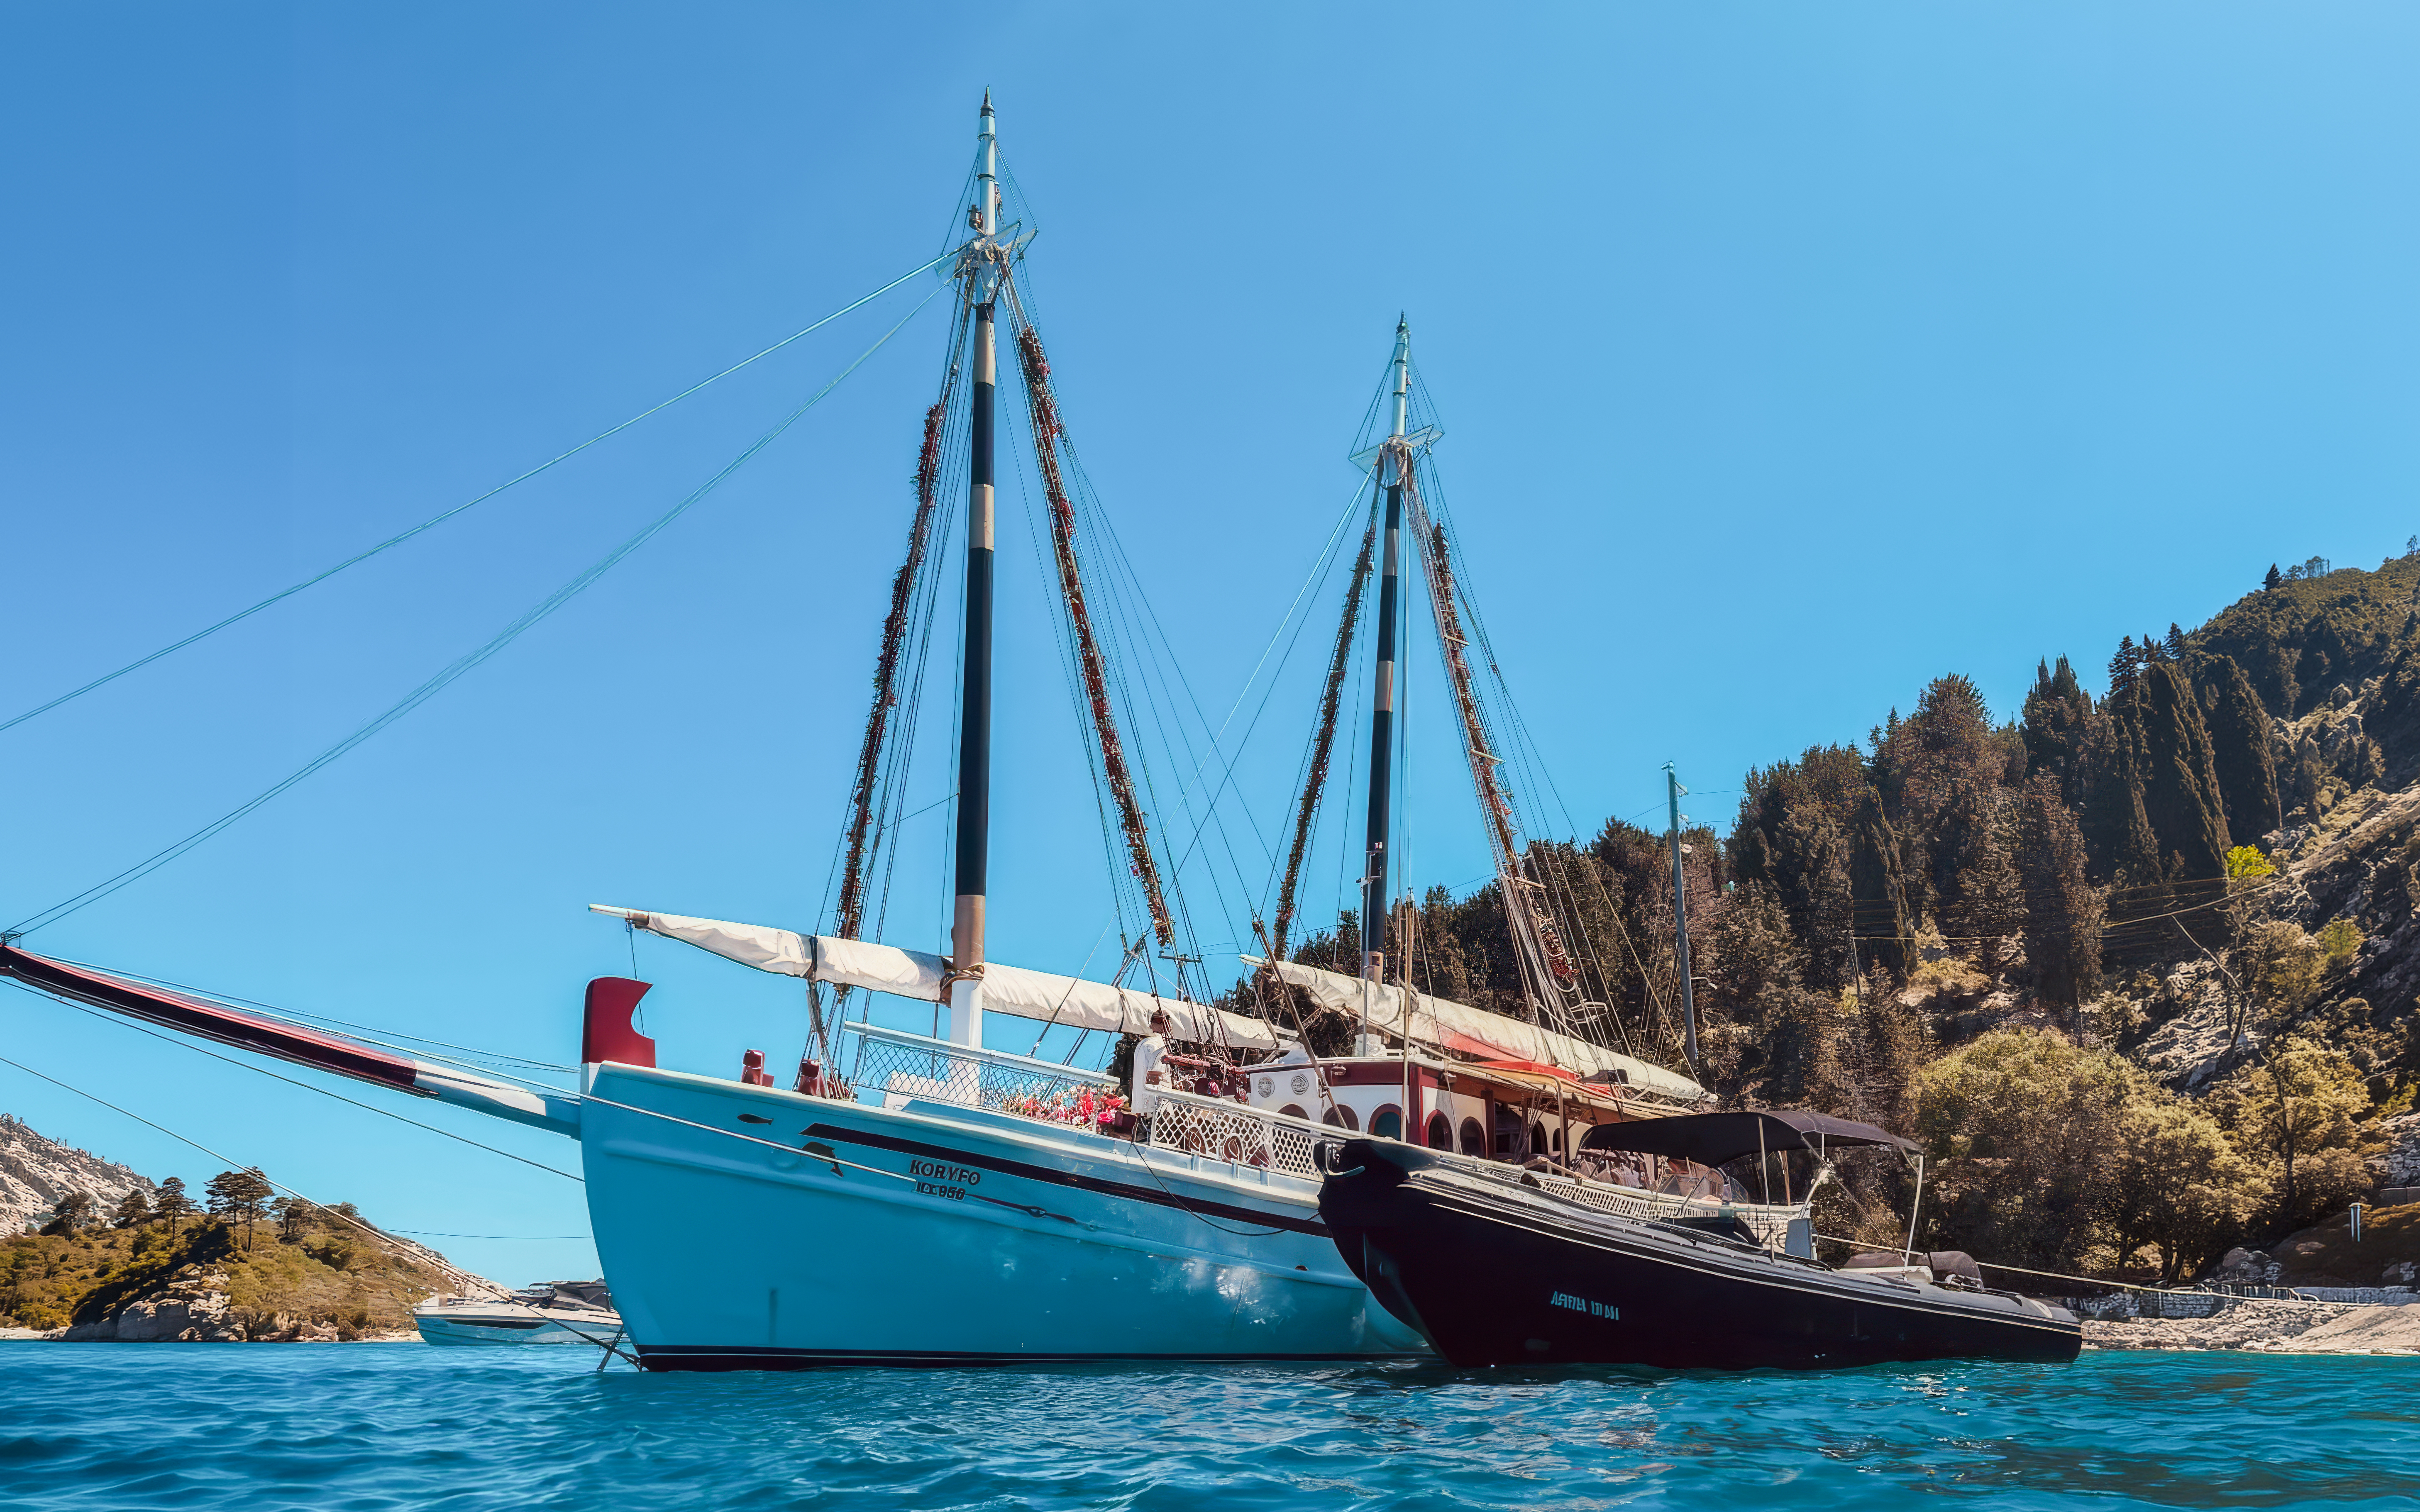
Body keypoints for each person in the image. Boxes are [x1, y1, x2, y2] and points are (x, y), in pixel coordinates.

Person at [1131, 1009, 1171, 1129]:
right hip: (1156, 1104)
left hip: (1144, 1104)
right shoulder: (1159, 1045)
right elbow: (1156, 1078)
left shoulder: (1145, 1044)